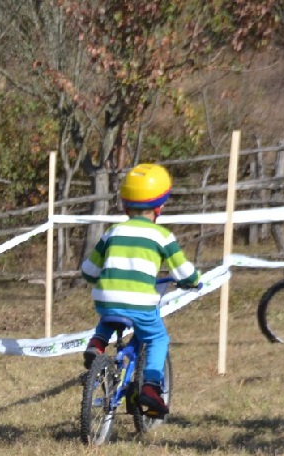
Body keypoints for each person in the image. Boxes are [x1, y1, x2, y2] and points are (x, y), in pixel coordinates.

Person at [80, 162, 200, 419]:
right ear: (159, 208)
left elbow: (88, 271)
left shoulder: (112, 232)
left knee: (110, 314)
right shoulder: (161, 236)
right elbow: (184, 273)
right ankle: (151, 387)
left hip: (105, 298)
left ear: (125, 207)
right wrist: (194, 280)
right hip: (140, 302)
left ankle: (97, 344)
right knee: (158, 338)